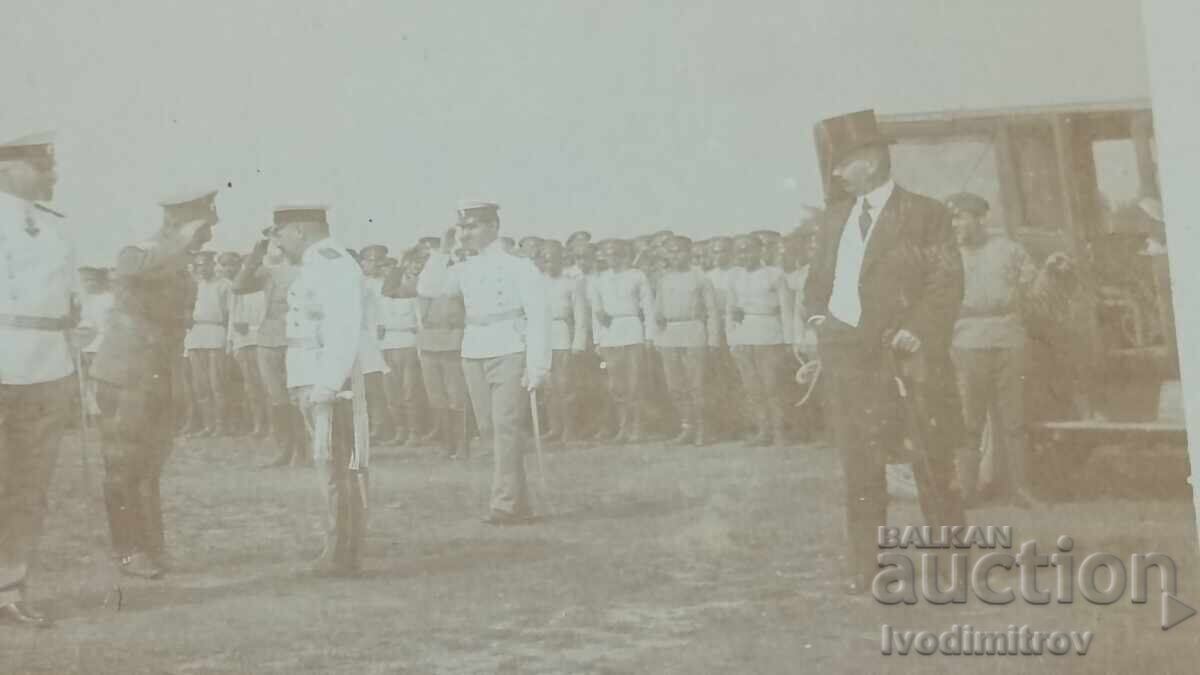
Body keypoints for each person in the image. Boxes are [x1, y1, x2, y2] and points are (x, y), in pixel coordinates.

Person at [803, 109, 966, 594]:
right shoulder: (836, 218)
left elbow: (947, 279)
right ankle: (866, 567)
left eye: (842, 163)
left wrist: (919, 328)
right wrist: (819, 321)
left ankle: (952, 566)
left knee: (930, 461)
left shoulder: (925, 214)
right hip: (847, 361)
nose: (836, 174)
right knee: (860, 463)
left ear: (870, 161)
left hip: (906, 359)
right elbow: (816, 285)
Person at [92, 187, 218, 581]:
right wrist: (178, 241)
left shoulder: (178, 262)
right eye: (203, 226)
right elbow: (130, 271)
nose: (207, 234)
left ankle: (153, 546)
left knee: (149, 467)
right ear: (179, 222)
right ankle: (128, 551)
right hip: (127, 371)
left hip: (162, 371)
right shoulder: (140, 251)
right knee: (124, 464)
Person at [418, 201, 550, 525]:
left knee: (506, 426)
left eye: (473, 226)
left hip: (510, 346)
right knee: (491, 429)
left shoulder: (520, 267)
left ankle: (503, 503)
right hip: (474, 349)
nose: (467, 233)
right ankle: (519, 504)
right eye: (463, 227)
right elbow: (428, 289)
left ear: (493, 227)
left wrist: (538, 364)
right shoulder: (463, 267)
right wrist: (442, 249)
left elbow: (539, 317)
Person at [0, 132, 75, 628]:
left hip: (47, 366)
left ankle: (9, 587)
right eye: (41, 165)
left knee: (29, 485)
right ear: (9, 168)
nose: (52, 174)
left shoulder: (54, 227)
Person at [269, 205, 369, 575]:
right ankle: (339, 547)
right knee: (329, 465)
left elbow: (344, 328)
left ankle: (341, 551)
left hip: (327, 380)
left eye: (278, 233)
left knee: (337, 466)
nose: (276, 242)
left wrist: (328, 382)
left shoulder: (332, 262)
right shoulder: (315, 263)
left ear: (297, 231)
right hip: (309, 376)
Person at [944, 192, 1041, 509]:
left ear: (979, 218)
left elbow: (1034, 287)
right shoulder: (946, 256)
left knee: (1014, 420)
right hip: (967, 342)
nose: (957, 224)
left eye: (962, 217)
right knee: (969, 422)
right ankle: (966, 494)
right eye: (953, 218)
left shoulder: (1009, 250)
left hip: (1008, 341)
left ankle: (1022, 490)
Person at [233, 233, 308, 467]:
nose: (278, 246)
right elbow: (238, 286)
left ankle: (304, 451)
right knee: (277, 398)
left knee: (300, 398)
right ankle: (284, 450)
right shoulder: (268, 272)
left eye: (280, 241)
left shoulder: (307, 270)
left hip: (298, 339)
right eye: (273, 242)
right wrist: (255, 256)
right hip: (268, 339)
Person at [726, 235, 793, 446]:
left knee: (772, 385)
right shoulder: (735, 277)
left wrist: (789, 339)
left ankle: (780, 431)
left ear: (760, 250)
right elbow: (731, 311)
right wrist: (732, 340)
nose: (744, 255)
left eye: (748, 250)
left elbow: (786, 309)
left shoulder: (775, 274)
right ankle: (763, 431)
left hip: (769, 333)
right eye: (740, 251)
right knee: (752, 386)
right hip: (744, 334)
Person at [587, 239, 656, 444]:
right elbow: (596, 312)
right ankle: (623, 427)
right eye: (608, 255)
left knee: (634, 383)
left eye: (616, 254)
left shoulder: (637, 276)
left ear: (624, 255)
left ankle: (637, 427)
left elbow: (648, 307)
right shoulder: (599, 280)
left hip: (633, 331)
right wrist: (598, 339)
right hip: (610, 335)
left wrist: (649, 335)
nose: (612, 259)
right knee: (616, 385)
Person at [653, 236, 719, 446]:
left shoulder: (700, 279)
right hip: (669, 334)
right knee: (675, 386)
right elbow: (657, 310)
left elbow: (712, 311)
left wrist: (713, 339)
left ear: (689, 253)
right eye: (671, 252)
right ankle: (686, 427)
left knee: (696, 384)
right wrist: (657, 334)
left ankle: (703, 429)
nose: (675, 256)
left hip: (693, 331)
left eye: (680, 251)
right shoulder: (664, 279)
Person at [540, 240, 588, 443]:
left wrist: (578, 342)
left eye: (553, 259)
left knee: (565, 386)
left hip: (562, 336)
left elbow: (580, 316)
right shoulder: (536, 283)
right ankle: (554, 428)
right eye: (545, 260)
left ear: (562, 259)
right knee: (548, 387)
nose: (549, 264)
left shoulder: (572, 283)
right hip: (542, 337)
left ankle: (570, 431)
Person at [376, 252, 423, 446]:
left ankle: (414, 432)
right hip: (388, 348)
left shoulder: (413, 300)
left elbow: (420, 326)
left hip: (408, 347)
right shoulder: (382, 302)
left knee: (409, 391)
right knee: (392, 393)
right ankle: (400, 431)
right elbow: (379, 328)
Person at [184, 249, 232, 437]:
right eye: (197, 265)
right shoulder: (194, 286)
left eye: (204, 264)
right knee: (200, 385)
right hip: (196, 335)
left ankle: (221, 425)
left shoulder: (224, 285)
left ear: (213, 264)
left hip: (216, 333)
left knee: (217, 383)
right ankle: (207, 425)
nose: (201, 269)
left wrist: (229, 339)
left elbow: (229, 314)